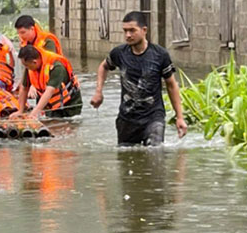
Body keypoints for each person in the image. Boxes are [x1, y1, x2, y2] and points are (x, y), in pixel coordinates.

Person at [90, 11, 187, 146]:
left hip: (153, 117)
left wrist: (180, 117)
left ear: (144, 30)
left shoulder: (160, 55)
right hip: (127, 118)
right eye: (125, 31)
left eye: (132, 30)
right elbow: (103, 66)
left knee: (155, 151)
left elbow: (171, 85)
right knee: (126, 155)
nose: (128, 35)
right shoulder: (119, 53)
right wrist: (98, 92)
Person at [11, 45, 82, 119]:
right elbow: (24, 88)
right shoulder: (30, 68)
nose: (26, 68)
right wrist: (21, 110)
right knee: (49, 122)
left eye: (26, 65)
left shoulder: (56, 66)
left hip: (69, 104)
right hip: (50, 103)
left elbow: (49, 91)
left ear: (34, 62)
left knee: (65, 124)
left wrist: (35, 112)